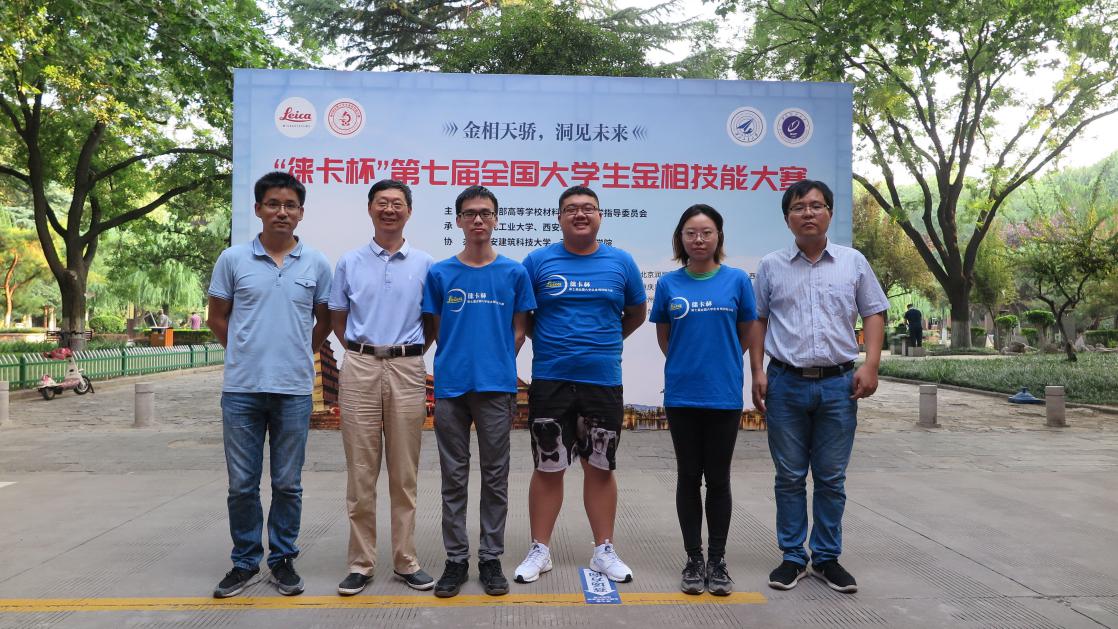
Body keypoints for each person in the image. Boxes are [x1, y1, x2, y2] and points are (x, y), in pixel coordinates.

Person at [749, 179, 888, 594]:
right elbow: (758, 319)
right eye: (798, 207)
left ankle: (826, 557)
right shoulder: (772, 265)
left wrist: (871, 364)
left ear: (829, 212)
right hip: (785, 382)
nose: (807, 213)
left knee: (830, 477)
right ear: (787, 218)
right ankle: (793, 557)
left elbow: (874, 312)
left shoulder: (852, 262)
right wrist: (757, 371)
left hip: (839, 385)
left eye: (815, 205)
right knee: (789, 477)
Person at [207, 171, 333, 598]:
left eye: (290, 205)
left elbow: (324, 321)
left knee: (287, 483)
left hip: (293, 390)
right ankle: (245, 561)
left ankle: (282, 559)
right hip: (241, 390)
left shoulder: (316, 263)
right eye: (274, 204)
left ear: (301, 213)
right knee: (242, 483)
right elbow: (217, 317)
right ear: (258, 209)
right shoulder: (233, 259)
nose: (282, 212)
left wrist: (300, 350)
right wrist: (242, 351)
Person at [515, 185, 647, 585]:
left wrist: (602, 343)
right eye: (571, 208)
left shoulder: (621, 262)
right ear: (559, 218)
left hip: (602, 380)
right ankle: (540, 549)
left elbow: (636, 313)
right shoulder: (538, 261)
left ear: (600, 216)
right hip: (551, 379)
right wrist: (554, 343)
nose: (580, 214)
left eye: (588, 208)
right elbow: (525, 317)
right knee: (548, 465)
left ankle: (604, 549)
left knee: (600, 466)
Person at [422, 186, 537, 598]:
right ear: (458, 220)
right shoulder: (440, 274)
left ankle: (490, 558)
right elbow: (436, 329)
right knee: (453, 477)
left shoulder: (514, 273)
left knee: (495, 475)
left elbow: (520, 329)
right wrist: (460, 359)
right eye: (470, 213)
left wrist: (497, 358)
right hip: (452, 387)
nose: (478, 220)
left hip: (496, 386)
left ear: (496, 219)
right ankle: (456, 560)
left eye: (485, 213)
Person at [330, 179, 436, 596]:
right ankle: (361, 563)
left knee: (404, 471)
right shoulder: (350, 262)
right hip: (360, 364)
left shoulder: (426, 263)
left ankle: (406, 560)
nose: (389, 209)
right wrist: (362, 353)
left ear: (409, 211)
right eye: (382, 202)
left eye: (397, 203)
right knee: (361, 470)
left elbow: (432, 322)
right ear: (370, 208)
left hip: (407, 366)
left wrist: (408, 353)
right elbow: (338, 317)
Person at [650, 204, 757, 596]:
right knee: (688, 476)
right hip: (682, 395)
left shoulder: (737, 281)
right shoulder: (669, 284)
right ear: (680, 238)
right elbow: (665, 338)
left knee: (718, 479)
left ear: (718, 237)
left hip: (723, 394)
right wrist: (687, 365)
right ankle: (694, 559)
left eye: (706, 232)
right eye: (691, 233)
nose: (698, 239)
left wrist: (720, 362)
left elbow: (745, 333)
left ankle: (718, 560)